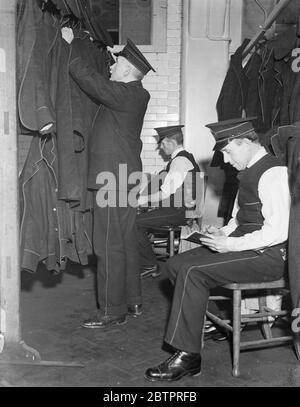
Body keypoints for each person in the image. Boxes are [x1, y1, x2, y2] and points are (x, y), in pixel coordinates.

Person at [144, 117, 290, 382]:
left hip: (269, 256)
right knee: (175, 264)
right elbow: (238, 219)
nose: (224, 159)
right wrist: (221, 233)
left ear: (245, 143)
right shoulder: (247, 171)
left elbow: (279, 231)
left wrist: (230, 244)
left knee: (192, 271)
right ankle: (204, 321)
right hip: (245, 248)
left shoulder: (274, 172)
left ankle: (188, 356)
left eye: (227, 151)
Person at [61, 28, 156, 328]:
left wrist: (71, 44)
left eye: (115, 64)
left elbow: (89, 80)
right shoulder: (132, 95)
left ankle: (112, 310)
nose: (111, 67)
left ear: (128, 70)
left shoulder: (128, 94)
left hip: (113, 180)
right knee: (125, 240)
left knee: (106, 244)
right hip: (122, 178)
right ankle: (133, 301)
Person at [137, 125, 201, 278]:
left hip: (178, 212)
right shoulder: (185, 158)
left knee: (133, 222)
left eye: (163, 144)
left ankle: (149, 265)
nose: (161, 148)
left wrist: (141, 200)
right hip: (181, 210)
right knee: (139, 219)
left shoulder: (179, 161)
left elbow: (166, 193)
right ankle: (145, 260)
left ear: (171, 142)